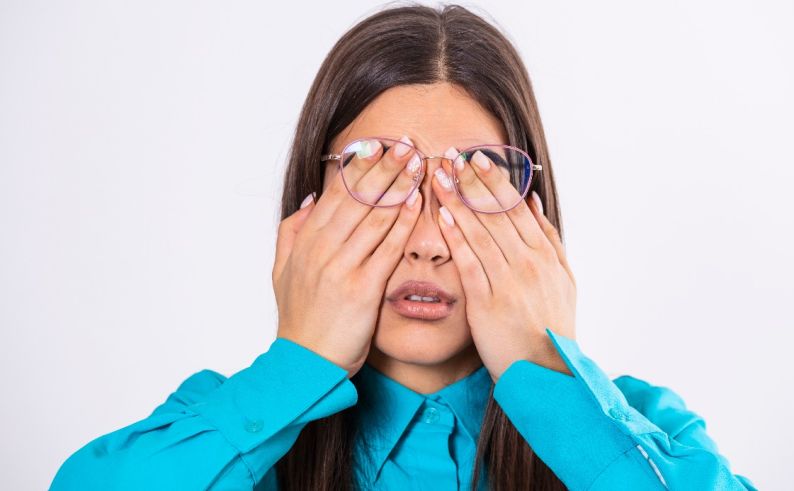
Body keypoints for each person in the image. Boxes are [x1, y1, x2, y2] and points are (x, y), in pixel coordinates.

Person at [49, 5, 757, 490]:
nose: (426, 243)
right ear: (309, 209)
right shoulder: (226, 428)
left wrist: (546, 372)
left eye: (475, 181)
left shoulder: (643, 429)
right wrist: (301, 362)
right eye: (379, 179)